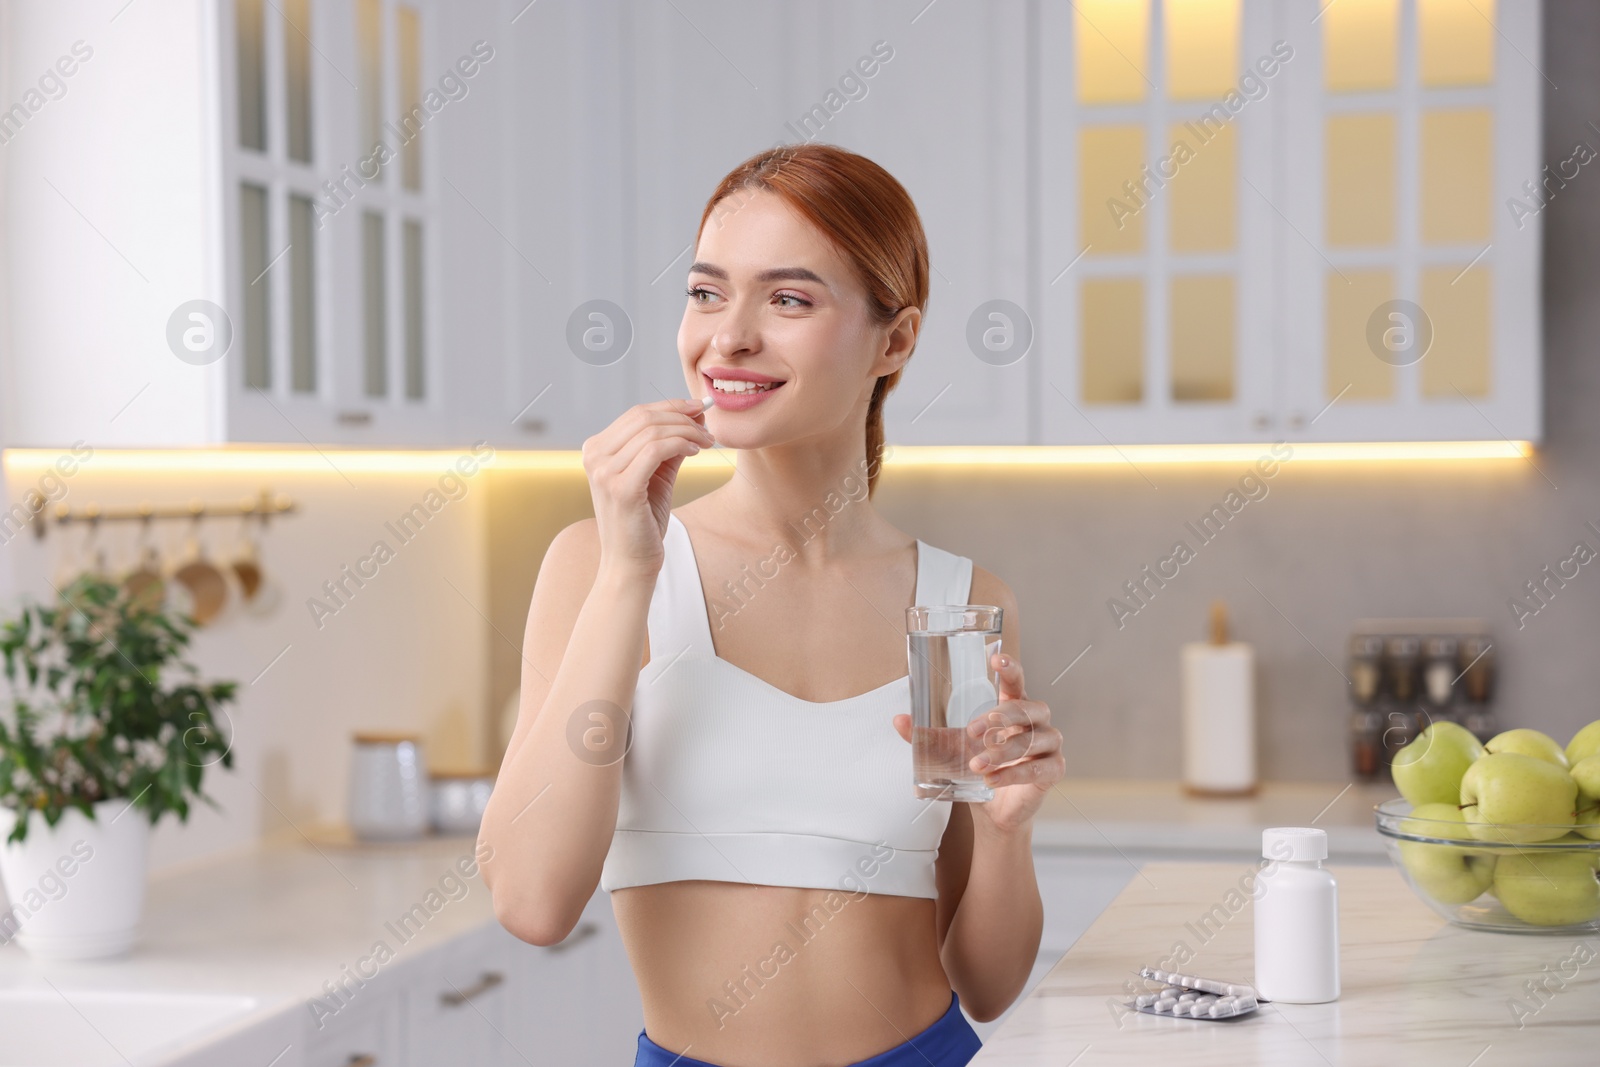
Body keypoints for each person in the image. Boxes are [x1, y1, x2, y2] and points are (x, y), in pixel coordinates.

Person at [480, 143, 1065, 1067]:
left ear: (896, 339)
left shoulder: (958, 603)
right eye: (708, 292)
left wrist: (1007, 832)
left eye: (788, 299)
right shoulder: (598, 564)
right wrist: (633, 569)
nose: (729, 337)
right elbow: (531, 901)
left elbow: (986, 982)